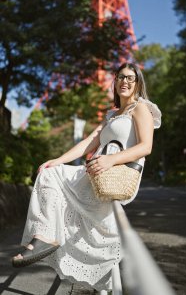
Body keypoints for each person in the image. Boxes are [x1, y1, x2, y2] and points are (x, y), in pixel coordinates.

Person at [12, 62, 161, 292]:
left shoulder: (141, 108)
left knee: (97, 227)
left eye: (131, 78)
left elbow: (146, 147)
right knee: (49, 174)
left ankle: (51, 238)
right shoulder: (112, 114)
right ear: (115, 80)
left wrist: (111, 159)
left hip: (117, 173)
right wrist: (58, 160)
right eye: (121, 77)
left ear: (138, 83)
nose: (125, 82)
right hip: (96, 172)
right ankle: (46, 236)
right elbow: (88, 143)